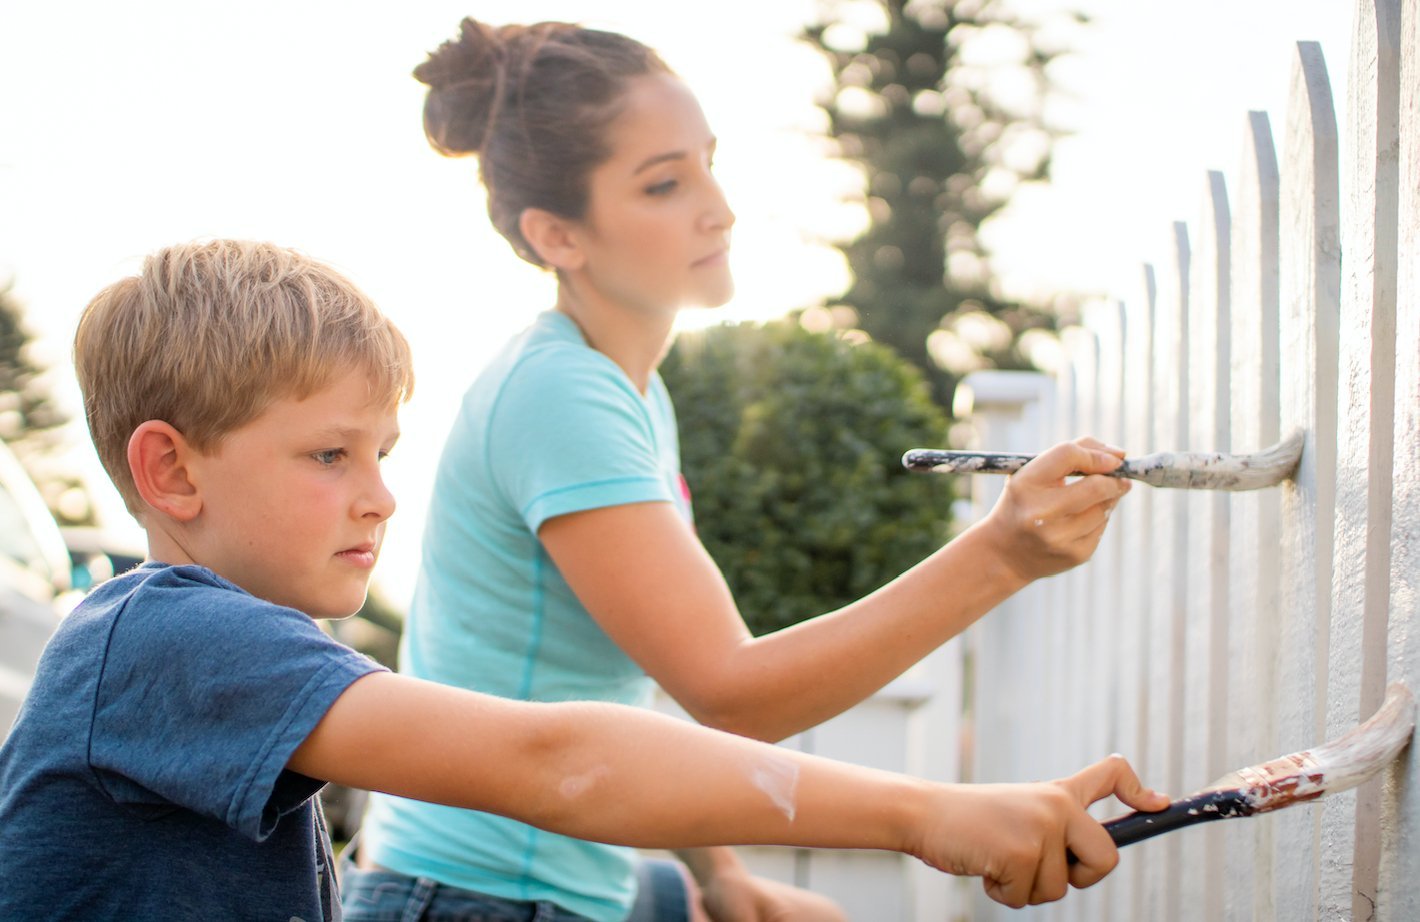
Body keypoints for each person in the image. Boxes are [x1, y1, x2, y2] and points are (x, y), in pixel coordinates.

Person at [0, 239, 1163, 921]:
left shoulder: (193, 646)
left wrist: (712, 881)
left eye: (382, 456)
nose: (379, 497)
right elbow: (556, 760)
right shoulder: (175, 639)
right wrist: (924, 813)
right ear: (170, 468)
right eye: (328, 454)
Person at [350, 17, 1139, 922]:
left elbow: (631, 682)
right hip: (477, 900)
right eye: (664, 183)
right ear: (557, 234)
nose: (716, 207)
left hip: (535, 889)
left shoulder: (621, 390)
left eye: (708, 162)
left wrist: (723, 881)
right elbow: (731, 693)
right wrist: (1003, 552)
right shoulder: (559, 395)